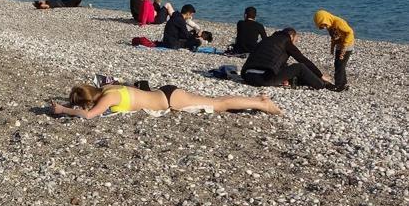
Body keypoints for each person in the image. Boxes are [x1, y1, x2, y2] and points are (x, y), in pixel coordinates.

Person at [51, 83, 281, 119]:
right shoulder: (107, 87)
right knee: (217, 100)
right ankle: (257, 99)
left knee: (219, 104)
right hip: (166, 93)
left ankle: (262, 104)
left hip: (171, 100)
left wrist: (63, 110)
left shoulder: (108, 97)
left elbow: (90, 115)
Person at [241, 27, 337, 90]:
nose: (294, 43)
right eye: (295, 40)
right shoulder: (286, 42)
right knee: (300, 67)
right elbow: (303, 60)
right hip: (263, 78)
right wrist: (320, 75)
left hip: (247, 76)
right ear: (291, 36)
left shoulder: (266, 40)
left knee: (285, 66)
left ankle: (291, 80)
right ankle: (322, 84)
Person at [313, 10, 354, 90]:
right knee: (338, 64)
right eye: (321, 26)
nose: (324, 27)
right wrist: (332, 47)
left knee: (340, 64)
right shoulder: (329, 24)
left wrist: (344, 47)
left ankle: (339, 85)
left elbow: (350, 32)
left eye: (323, 25)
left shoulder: (338, 22)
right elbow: (334, 37)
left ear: (326, 19)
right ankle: (343, 84)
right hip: (340, 44)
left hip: (347, 44)